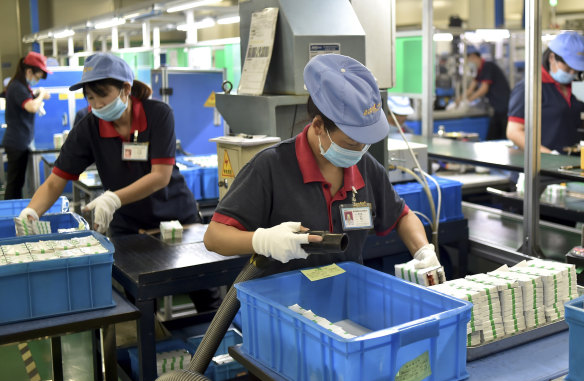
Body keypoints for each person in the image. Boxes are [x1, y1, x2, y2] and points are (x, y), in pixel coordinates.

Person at [19, 53, 220, 312]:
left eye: (102, 95)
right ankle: (156, 349)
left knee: (206, 295)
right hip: (129, 226)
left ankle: (212, 347)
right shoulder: (89, 127)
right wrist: (32, 211)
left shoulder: (157, 114)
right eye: (90, 97)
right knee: (142, 302)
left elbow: (161, 176)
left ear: (126, 89)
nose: (96, 104)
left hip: (177, 217)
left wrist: (113, 198)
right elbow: (55, 181)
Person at [204, 54, 440, 273]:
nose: (359, 151)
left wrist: (423, 250)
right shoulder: (270, 167)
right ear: (318, 126)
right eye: (350, 143)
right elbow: (215, 237)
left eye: (365, 143)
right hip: (287, 304)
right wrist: (263, 240)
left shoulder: (366, 167)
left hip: (347, 298)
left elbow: (401, 216)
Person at [507, 31, 584, 154]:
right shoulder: (530, 87)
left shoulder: (570, 87)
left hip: (568, 164)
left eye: (576, 70)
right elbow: (514, 131)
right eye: (568, 68)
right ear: (552, 58)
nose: (572, 74)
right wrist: (547, 156)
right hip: (542, 166)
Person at [2, 52, 51, 199]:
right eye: (37, 77)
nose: (37, 80)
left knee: (17, 184)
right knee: (14, 185)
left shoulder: (21, 87)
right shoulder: (17, 87)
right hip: (16, 143)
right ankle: (9, 218)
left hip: (20, 143)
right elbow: (31, 107)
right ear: (29, 71)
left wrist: (36, 95)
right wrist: (41, 94)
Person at [458, 45, 510, 140]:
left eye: (468, 60)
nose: (468, 63)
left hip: (504, 106)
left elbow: (483, 89)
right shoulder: (480, 69)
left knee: (502, 137)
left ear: (473, 56)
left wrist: (467, 101)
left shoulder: (487, 66)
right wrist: (459, 100)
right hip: (496, 108)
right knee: (492, 136)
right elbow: (470, 88)